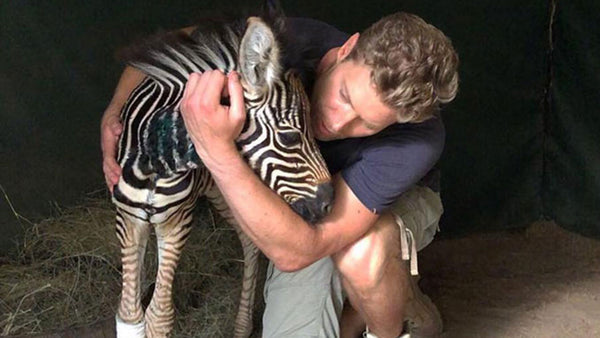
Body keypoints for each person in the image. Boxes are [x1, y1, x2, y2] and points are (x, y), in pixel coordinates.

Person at [102, 12, 458, 338]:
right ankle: (387, 293)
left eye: (368, 124)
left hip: (377, 203)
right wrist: (115, 112)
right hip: (304, 193)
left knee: (362, 250)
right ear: (346, 48)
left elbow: (302, 250)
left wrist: (217, 149)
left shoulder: (419, 140)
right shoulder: (291, 41)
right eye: (345, 96)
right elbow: (179, 43)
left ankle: (389, 325)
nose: (337, 123)